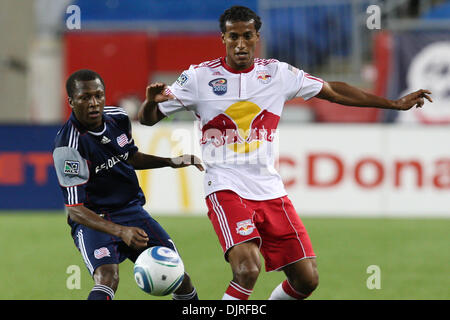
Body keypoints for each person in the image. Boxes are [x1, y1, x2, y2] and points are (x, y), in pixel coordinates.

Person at [137, 6, 433, 300]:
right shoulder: (199, 78)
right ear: (223, 39)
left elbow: (332, 90)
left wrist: (392, 103)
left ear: (256, 37)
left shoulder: (277, 73)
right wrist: (151, 103)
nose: (240, 44)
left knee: (306, 279)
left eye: (247, 36)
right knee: (247, 270)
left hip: (270, 188)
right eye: (233, 37)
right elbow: (149, 119)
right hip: (226, 187)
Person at [53, 69, 204, 300]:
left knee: (178, 277)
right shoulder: (69, 146)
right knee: (107, 278)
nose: (94, 103)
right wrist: (120, 232)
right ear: (71, 102)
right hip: (94, 219)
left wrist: (170, 162)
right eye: (85, 98)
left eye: (98, 95)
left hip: (131, 211)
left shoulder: (119, 118)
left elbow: (130, 156)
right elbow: (75, 210)